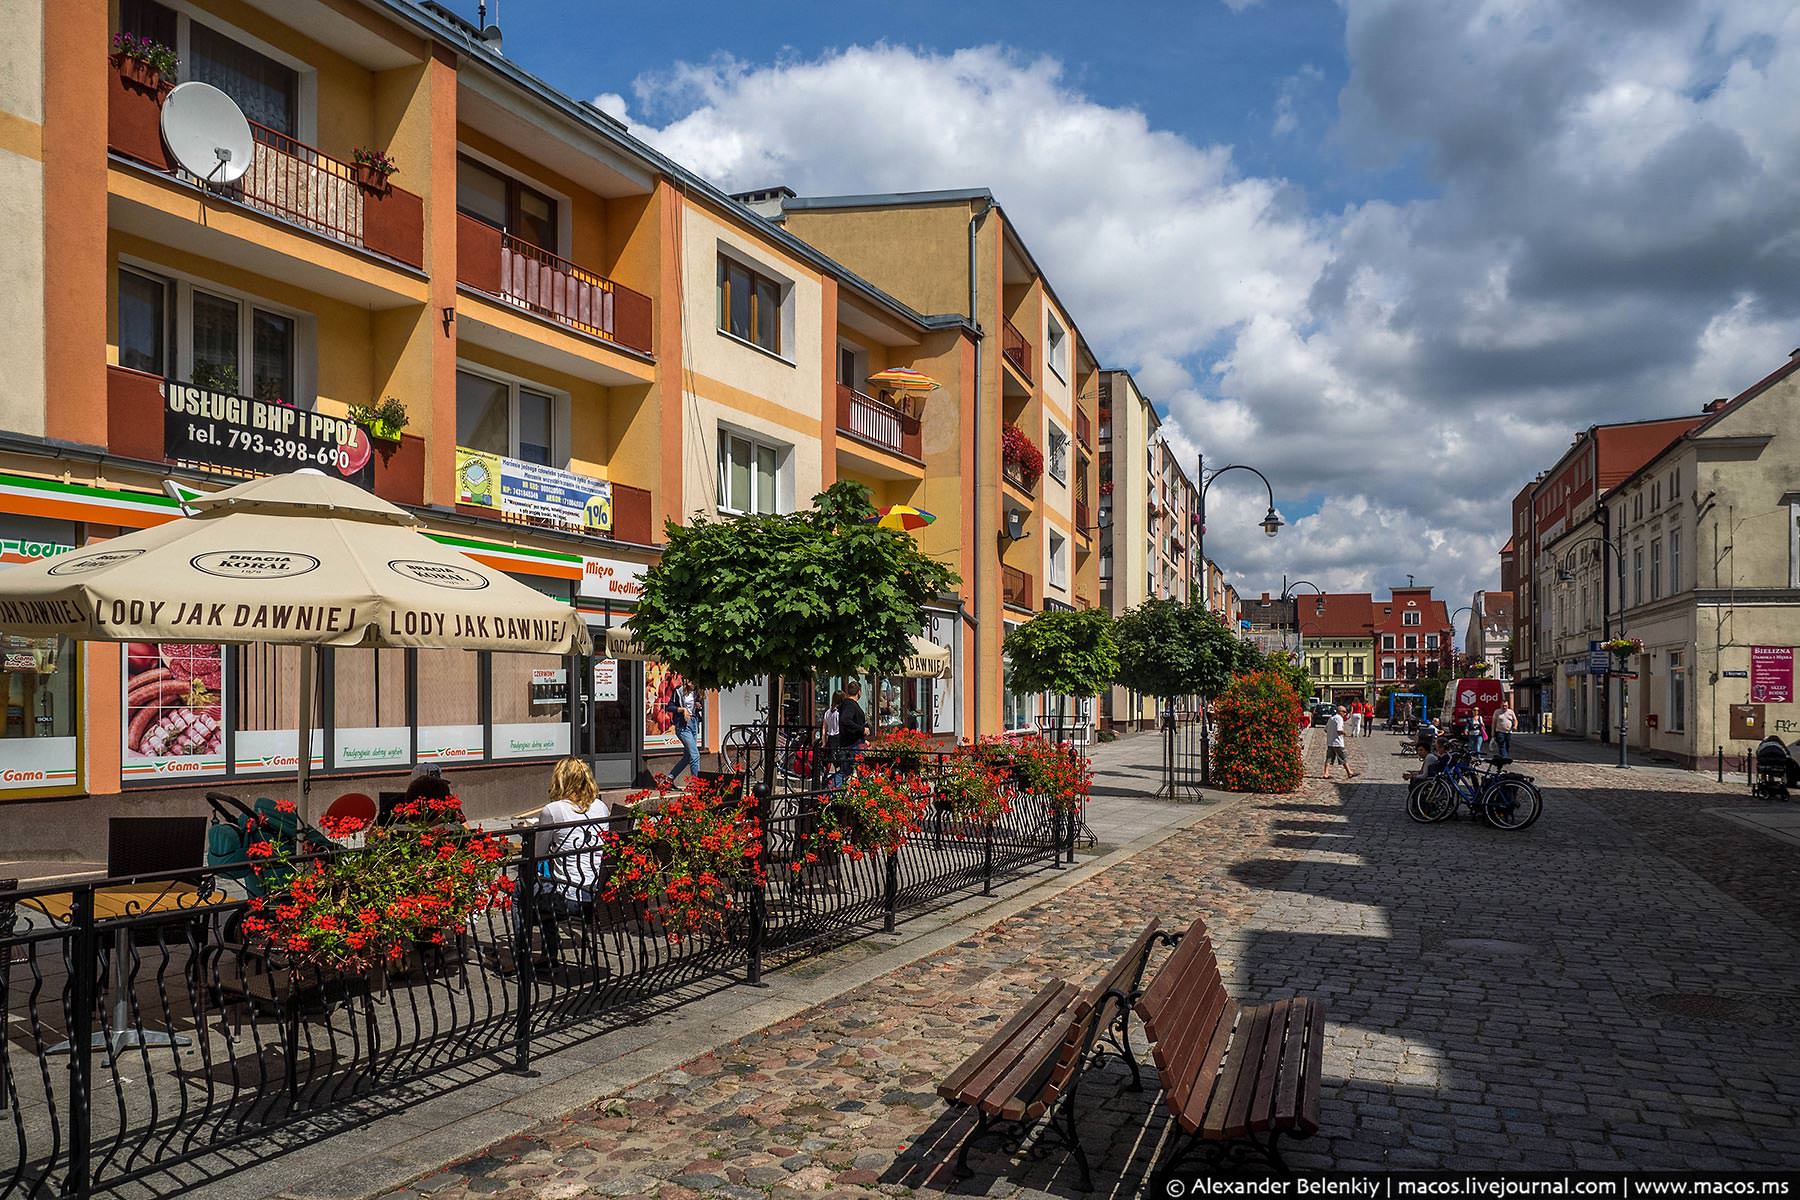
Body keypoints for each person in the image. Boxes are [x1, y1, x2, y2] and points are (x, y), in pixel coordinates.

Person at [533, 758, 610, 968]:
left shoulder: (553, 810)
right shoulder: (601, 807)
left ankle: (539, 957)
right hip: (597, 892)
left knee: (522, 893)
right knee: (543, 888)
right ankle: (547, 954)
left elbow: (537, 855)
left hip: (570, 895)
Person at [833, 681, 868, 787]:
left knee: (852, 772)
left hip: (851, 743)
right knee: (849, 771)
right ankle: (833, 795)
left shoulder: (847, 704)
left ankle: (840, 795)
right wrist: (861, 729)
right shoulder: (850, 705)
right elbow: (845, 720)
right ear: (859, 692)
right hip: (852, 745)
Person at [666, 681, 701, 782]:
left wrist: (699, 706)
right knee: (695, 755)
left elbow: (697, 707)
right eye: (690, 681)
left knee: (687, 757)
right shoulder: (679, 691)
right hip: (683, 726)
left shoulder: (697, 692)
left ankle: (669, 779)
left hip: (693, 723)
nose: (692, 683)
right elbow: (669, 707)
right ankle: (697, 785)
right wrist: (682, 710)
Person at [1323, 704, 1355, 780]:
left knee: (1329, 758)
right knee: (1343, 757)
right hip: (1338, 742)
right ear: (1340, 711)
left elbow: (1325, 729)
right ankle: (1349, 773)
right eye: (1344, 712)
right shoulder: (1339, 718)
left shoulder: (1331, 718)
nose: (1345, 713)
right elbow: (1339, 730)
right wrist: (1344, 733)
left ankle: (1326, 773)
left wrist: (1331, 732)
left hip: (1330, 742)